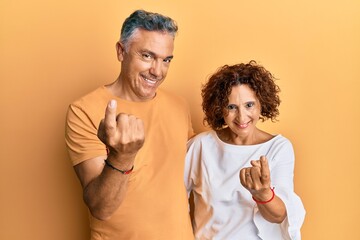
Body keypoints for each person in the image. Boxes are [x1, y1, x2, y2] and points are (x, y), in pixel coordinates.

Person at [65, 10, 194, 240]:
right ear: (121, 51)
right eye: (147, 56)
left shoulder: (179, 106)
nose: (157, 71)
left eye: (166, 60)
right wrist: (122, 156)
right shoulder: (84, 110)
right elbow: (101, 208)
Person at [184, 61, 306, 239]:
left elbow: (279, 216)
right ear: (220, 108)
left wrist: (262, 193)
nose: (242, 117)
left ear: (261, 103)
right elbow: (173, 200)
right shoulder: (201, 146)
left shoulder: (278, 147)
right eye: (232, 107)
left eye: (249, 105)